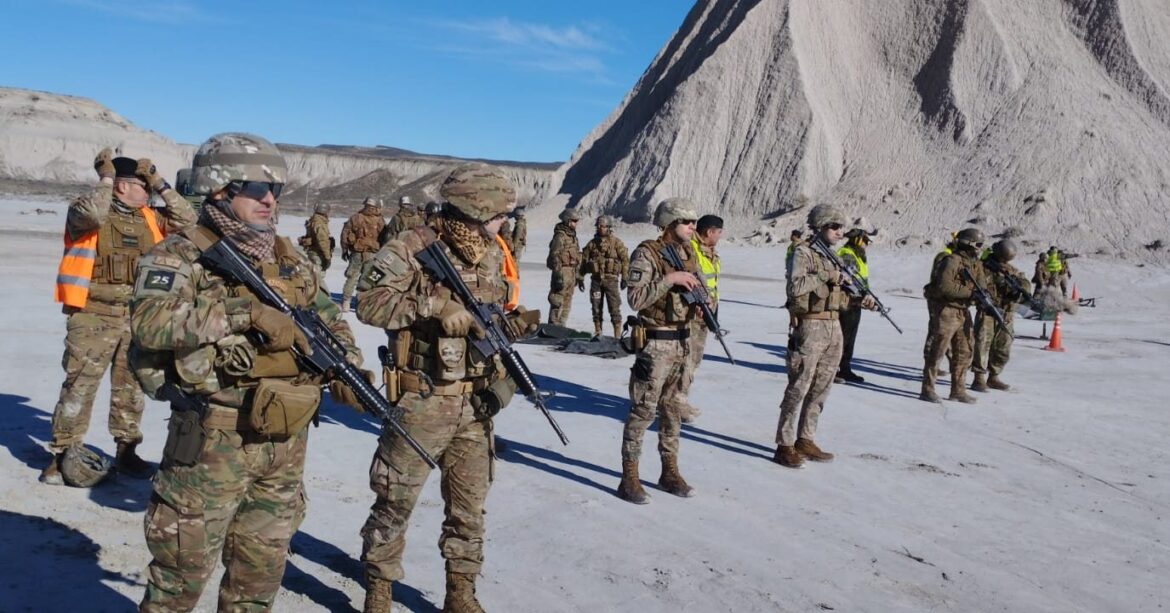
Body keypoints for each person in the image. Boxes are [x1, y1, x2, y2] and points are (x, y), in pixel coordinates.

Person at [130, 133, 364, 611]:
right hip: (213, 443)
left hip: (284, 441)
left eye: (275, 190)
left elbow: (327, 315)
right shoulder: (179, 253)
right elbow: (148, 323)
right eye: (257, 189)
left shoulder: (287, 256)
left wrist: (346, 364)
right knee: (178, 580)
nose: (270, 199)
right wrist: (245, 315)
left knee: (257, 581)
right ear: (220, 188)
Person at [355, 163, 535, 612]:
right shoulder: (411, 247)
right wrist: (434, 306)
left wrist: (507, 327)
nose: (503, 222)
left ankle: (460, 593)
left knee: (468, 509)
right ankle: (379, 591)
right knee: (394, 504)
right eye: (499, 213)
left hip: (474, 402)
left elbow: (486, 308)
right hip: (421, 399)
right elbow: (368, 304)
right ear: (477, 207)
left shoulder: (492, 250)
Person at [41, 148, 195, 485]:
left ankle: (127, 451)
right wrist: (105, 178)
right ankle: (61, 453)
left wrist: (160, 182)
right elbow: (95, 214)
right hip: (93, 313)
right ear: (123, 186)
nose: (148, 192)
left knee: (131, 389)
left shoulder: (150, 217)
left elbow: (188, 221)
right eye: (143, 186)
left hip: (135, 316)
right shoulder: (84, 211)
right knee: (79, 386)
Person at [616, 198, 703, 504]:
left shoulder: (688, 253)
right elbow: (636, 299)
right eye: (686, 222)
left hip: (682, 341)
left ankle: (670, 471)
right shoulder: (647, 253)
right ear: (669, 223)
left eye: (694, 222)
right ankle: (629, 477)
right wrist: (669, 279)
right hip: (655, 343)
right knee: (643, 411)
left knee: (673, 411)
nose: (693, 227)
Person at [773, 205, 873, 469]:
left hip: (833, 325)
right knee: (799, 386)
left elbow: (841, 292)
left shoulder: (834, 256)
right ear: (820, 227)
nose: (840, 232)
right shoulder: (803, 253)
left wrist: (861, 300)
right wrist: (827, 275)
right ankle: (784, 444)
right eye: (835, 227)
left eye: (841, 228)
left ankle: (805, 438)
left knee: (822, 387)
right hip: (810, 326)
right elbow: (795, 287)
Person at [920, 227, 987, 404]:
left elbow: (981, 286)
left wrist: (983, 298)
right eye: (978, 244)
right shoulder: (951, 261)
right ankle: (927, 389)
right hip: (947, 310)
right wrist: (969, 293)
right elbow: (944, 286)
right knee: (938, 351)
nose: (980, 248)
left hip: (963, 311)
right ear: (968, 244)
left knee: (964, 351)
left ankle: (958, 390)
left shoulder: (975, 264)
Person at [676, 214, 723, 424]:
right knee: (686, 360)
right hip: (692, 312)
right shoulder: (691, 249)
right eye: (719, 232)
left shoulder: (709, 252)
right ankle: (677, 402)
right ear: (710, 232)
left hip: (706, 312)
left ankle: (680, 399)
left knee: (694, 360)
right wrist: (698, 303)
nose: (720, 236)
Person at [971, 239, 1031, 391]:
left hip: (1007, 313)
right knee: (982, 344)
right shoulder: (982, 267)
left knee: (1003, 346)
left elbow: (1025, 284)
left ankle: (994, 376)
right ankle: (979, 378)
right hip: (988, 312)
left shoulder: (1011, 270)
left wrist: (1020, 288)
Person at [835, 225, 876, 383]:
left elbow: (861, 281)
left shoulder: (857, 255)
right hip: (845, 302)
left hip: (855, 303)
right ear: (858, 240)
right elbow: (849, 280)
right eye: (865, 241)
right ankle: (836, 369)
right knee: (842, 338)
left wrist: (867, 296)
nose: (866, 245)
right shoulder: (847, 254)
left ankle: (844, 368)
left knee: (849, 338)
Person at [580, 215, 629, 338]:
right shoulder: (592, 244)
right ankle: (598, 332)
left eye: (602, 226)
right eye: (598, 226)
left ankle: (617, 335)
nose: (599, 228)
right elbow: (583, 262)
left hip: (611, 281)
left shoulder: (616, 243)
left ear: (608, 227)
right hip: (596, 281)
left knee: (614, 309)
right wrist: (580, 278)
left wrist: (625, 278)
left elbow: (625, 260)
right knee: (596, 308)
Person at [340, 196, 386, 311]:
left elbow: (344, 234)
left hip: (357, 253)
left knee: (352, 277)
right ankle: (362, 303)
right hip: (372, 254)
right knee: (369, 280)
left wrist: (344, 250)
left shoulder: (355, 217)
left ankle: (346, 302)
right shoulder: (380, 220)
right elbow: (386, 238)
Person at [546, 208, 584, 326]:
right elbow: (554, 255)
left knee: (567, 300)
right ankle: (553, 325)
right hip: (562, 271)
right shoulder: (560, 236)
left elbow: (577, 256)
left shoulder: (573, 237)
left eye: (577, 221)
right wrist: (557, 274)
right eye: (574, 221)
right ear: (567, 221)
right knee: (557, 300)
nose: (576, 223)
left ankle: (562, 325)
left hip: (571, 273)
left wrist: (578, 276)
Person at [299, 201, 334, 271]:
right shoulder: (319, 223)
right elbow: (322, 241)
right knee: (318, 277)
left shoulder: (314, 220)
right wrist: (327, 257)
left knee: (313, 274)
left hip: (313, 252)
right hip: (317, 253)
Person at [785, 228, 804, 330]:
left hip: (795, 275)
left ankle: (795, 325)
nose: (790, 236)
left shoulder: (798, 246)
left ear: (795, 236)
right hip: (791, 273)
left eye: (792, 234)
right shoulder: (792, 246)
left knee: (793, 297)